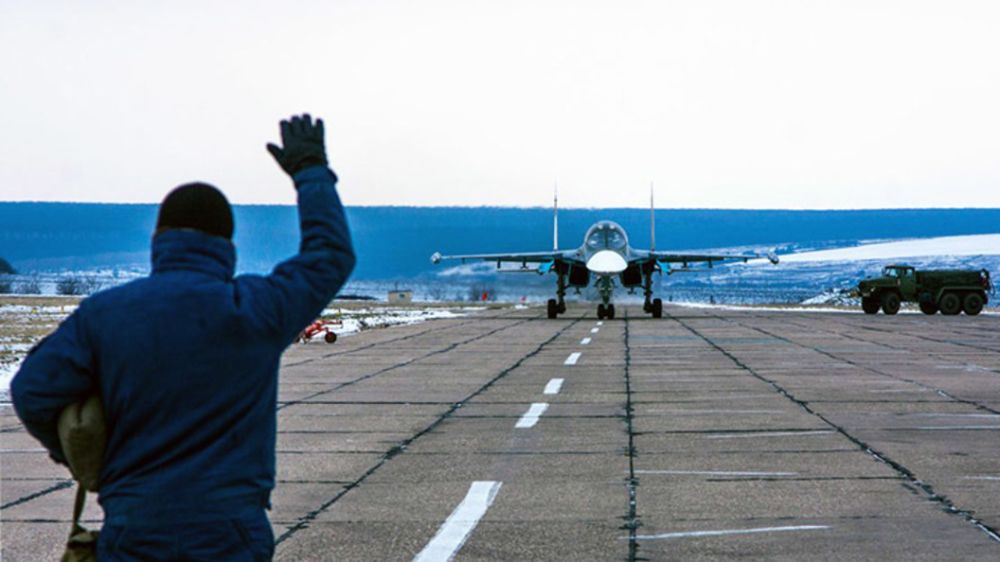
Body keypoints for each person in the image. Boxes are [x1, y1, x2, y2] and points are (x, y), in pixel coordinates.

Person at [11, 114, 355, 561]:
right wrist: (311, 173)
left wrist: (81, 456)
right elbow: (329, 256)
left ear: (158, 239)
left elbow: (31, 390)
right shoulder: (256, 307)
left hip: (134, 529)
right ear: (228, 245)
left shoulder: (105, 314)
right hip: (229, 533)